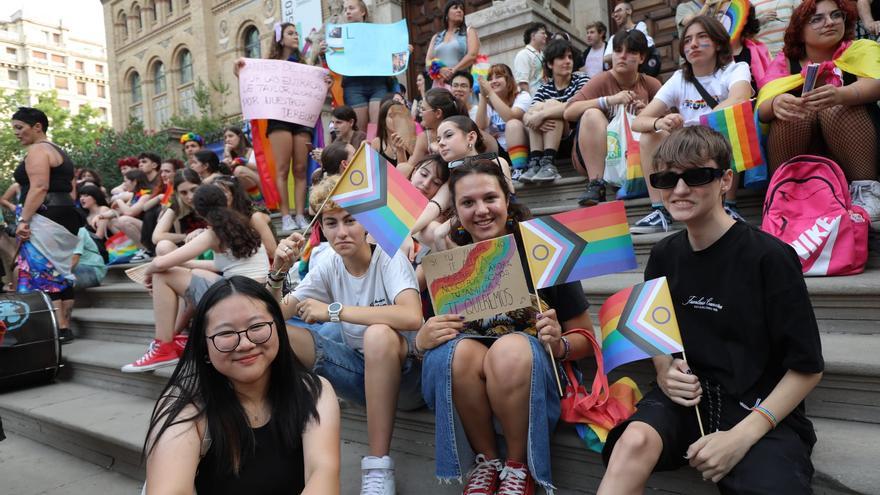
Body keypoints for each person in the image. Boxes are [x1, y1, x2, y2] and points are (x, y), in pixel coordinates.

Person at [598, 126, 824, 494]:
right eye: (667, 178)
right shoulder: (663, 255)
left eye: (697, 175)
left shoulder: (770, 257)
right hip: (686, 400)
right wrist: (664, 368)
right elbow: (657, 335)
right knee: (631, 443)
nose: (680, 189)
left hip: (758, 405)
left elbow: (807, 368)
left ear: (725, 180)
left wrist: (742, 436)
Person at [417, 159, 594, 494]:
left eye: (490, 198)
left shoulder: (544, 247)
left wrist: (559, 344)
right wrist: (421, 340)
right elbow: (425, 328)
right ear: (455, 211)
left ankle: (518, 467)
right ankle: (487, 462)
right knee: (456, 354)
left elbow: (585, 338)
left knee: (509, 348)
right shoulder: (447, 263)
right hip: (468, 377)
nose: (481, 210)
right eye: (468, 203)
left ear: (507, 199)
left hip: (529, 372)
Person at [269, 176, 423, 495]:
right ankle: (278, 440)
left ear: (366, 224)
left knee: (378, 335)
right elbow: (268, 315)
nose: (342, 232)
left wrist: (334, 311)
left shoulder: (388, 256)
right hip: (358, 373)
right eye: (331, 223)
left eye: (350, 220)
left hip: (407, 378)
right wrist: (278, 271)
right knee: (274, 334)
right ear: (321, 229)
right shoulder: (327, 264)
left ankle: (378, 466)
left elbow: (411, 315)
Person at [143, 276, 340, 494]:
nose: (245, 344)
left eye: (257, 326)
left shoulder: (313, 392)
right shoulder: (185, 407)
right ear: (204, 347)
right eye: (226, 333)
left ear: (279, 330)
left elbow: (323, 474)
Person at [122, 184, 270, 372]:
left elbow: (160, 264)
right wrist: (187, 265)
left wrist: (149, 273)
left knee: (162, 275)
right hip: (255, 293)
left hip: (239, 298)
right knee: (195, 274)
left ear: (198, 211)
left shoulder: (212, 233)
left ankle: (163, 347)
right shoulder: (241, 223)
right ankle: (177, 337)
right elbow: (221, 266)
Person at [757, 0, 880, 221]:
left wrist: (841, 95)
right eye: (817, 19)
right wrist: (777, 103)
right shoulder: (786, 61)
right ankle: (785, 198)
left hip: (858, 147)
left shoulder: (859, 48)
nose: (829, 22)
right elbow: (762, 108)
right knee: (790, 115)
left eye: (836, 15)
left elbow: (876, 84)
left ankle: (866, 192)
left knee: (835, 105)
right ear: (800, 31)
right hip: (805, 148)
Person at [630, 16, 752, 234]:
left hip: (717, 143)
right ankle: (660, 210)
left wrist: (696, 125)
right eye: (687, 40)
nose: (693, 44)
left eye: (702, 37)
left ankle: (728, 204)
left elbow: (740, 98)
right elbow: (639, 122)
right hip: (686, 149)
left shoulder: (735, 69)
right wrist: (661, 121)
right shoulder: (679, 78)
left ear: (717, 42)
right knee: (649, 135)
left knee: (732, 117)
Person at [233, 22, 329, 232]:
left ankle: (300, 214)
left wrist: (324, 82)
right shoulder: (268, 65)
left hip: (302, 118)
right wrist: (238, 67)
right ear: (280, 38)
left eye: (297, 33)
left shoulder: (304, 65)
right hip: (278, 120)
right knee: (283, 168)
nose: (296, 36)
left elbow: (316, 87)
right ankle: (286, 215)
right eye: (291, 33)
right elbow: (247, 79)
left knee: (301, 168)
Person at [11, 106, 84, 343]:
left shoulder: (38, 151)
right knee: (58, 270)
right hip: (62, 214)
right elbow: (70, 192)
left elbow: (39, 187)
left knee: (40, 271)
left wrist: (24, 220)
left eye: (19, 128)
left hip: (44, 216)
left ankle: (50, 329)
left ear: (37, 127)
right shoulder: (59, 151)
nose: (16, 133)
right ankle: (63, 327)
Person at [565, 29, 662, 206]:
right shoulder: (601, 80)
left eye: (631, 52)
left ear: (642, 58)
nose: (622, 56)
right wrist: (608, 101)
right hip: (598, 155)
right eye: (618, 51)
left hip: (637, 156)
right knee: (591, 114)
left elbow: (669, 121)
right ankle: (596, 184)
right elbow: (569, 111)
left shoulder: (651, 84)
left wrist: (647, 113)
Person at [410, 116, 514, 253]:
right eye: (438, 139)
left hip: (504, 232)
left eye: (448, 135)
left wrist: (447, 226)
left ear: (471, 138)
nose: (441, 143)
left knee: (439, 231)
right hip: (469, 236)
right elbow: (433, 207)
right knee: (431, 230)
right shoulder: (454, 175)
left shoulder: (498, 162)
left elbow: (510, 203)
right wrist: (405, 234)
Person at [521, 39, 590, 184]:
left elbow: (575, 106)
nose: (568, 61)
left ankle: (548, 163)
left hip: (573, 138)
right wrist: (535, 118)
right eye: (562, 57)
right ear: (550, 64)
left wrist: (542, 115)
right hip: (548, 138)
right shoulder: (544, 87)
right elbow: (528, 115)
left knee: (550, 105)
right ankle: (536, 162)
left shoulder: (581, 80)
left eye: (570, 57)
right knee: (539, 107)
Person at [474, 64, 531, 178]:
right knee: (478, 133)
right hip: (501, 150)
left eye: (498, 76)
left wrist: (490, 93)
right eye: (490, 79)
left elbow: (510, 117)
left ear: (508, 79)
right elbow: (479, 126)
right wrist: (483, 97)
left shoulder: (522, 96)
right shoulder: (489, 102)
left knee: (512, 124)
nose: (493, 81)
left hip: (524, 148)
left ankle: (520, 168)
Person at [405, 88, 467, 176]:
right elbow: (410, 168)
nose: (420, 113)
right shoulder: (425, 137)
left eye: (423, 109)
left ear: (438, 113)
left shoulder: (461, 132)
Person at [425, 0, 480, 88]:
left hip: (460, 83)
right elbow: (428, 61)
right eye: (455, 8)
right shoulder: (436, 37)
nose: (459, 10)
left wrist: (453, 70)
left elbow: (472, 55)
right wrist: (439, 70)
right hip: (439, 86)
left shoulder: (469, 31)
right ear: (447, 15)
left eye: (461, 9)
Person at [152, 169, 206, 247]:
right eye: (183, 192)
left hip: (214, 247)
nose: (190, 197)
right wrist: (187, 236)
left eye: (194, 189)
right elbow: (156, 236)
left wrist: (202, 232)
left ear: (201, 185)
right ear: (177, 193)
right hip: (192, 247)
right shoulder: (178, 203)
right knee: (163, 246)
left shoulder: (211, 198)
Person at [604, 1, 656, 66]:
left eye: (619, 11)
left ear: (629, 11)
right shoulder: (613, 37)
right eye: (614, 13)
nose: (615, 15)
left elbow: (643, 47)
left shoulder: (640, 26)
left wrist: (616, 54)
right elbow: (605, 58)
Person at [221, 126, 264, 205]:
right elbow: (229, 174)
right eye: (225, 138)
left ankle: (261, 204)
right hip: (245, 195)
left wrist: (241, 161)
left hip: (263, 188)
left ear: (240, 137)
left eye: (230, 136)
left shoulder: (251, 151)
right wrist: (227, 152)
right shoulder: (228, 156)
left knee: (239, 170)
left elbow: (262, 169)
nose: (227, 140)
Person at [513, 22, 548, 95]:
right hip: (533, 100)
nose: (546, 36)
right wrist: (530, 103)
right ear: (533, 36)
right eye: (543, 33)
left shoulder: (543, 55)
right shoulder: (523, 54)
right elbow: (522, 83)